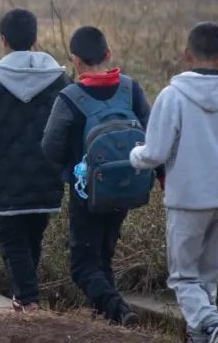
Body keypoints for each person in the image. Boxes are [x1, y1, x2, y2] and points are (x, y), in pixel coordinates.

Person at [129, 22, 218, 343]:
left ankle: (211, 324)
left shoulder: (172, 96)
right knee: (207, 280)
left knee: (183, 278)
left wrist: (134, 156)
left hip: (187, 203)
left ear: (186, 55)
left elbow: (156, 153)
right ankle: (201, 335)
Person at [0, 8, 70, 312]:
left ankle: (29, 303)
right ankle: (25, 298)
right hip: (48, 176)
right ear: (35, 38)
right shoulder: (59, 79)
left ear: (3, 39)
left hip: (6, 178)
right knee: (33, 236)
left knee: (11, 239)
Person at [41, 26, 151, 326]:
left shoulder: (70, 97)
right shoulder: (131, 89)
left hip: (85, 191)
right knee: (104, 252)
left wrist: (70, 168)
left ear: (75, 61)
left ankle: (117, 310)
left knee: (82, 264)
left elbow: (50, 146)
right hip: (128, 186)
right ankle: (111, 315)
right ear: (109, 54)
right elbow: (153, 135)